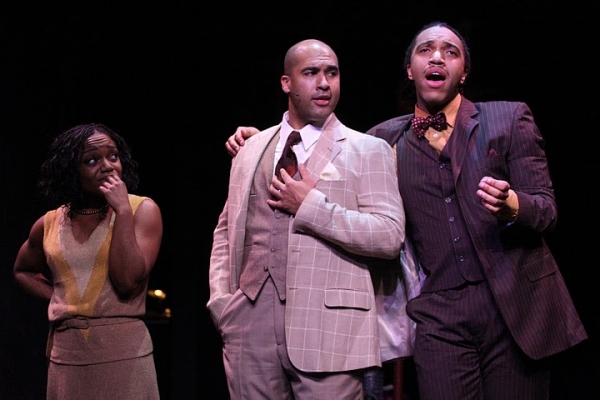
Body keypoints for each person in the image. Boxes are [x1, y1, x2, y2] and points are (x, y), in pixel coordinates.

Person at [224, 21, 588, 399]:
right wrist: (262, 141)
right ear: (409, 70)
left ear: (464, 73)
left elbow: (546, 209)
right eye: (426, 49)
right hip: (439, 312)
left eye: (451, 52)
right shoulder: (384, 138)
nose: (437, 57)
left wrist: (512, 205)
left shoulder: (509, 118)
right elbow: (334, 149)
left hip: (514, 305)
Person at [207, 39, 406, 399]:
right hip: (249, 326)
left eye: (332, 73)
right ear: (286, 83)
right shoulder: (251, 148)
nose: (325, 83)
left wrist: (311, 205)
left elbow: (389, 236)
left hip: (330, 329)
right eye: (311, 73)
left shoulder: (368, 150)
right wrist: (222, 302)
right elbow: (226, 229)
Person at [13, 123, 163, 400]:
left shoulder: (141, 210)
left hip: (123, 354)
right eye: (92, 160)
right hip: (66, 355)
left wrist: (121, 211)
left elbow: (127, 281)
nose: (107, 166)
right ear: (72, 171)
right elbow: (23, 270)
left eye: (113, 156)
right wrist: (60, 298)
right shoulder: (49, 223)